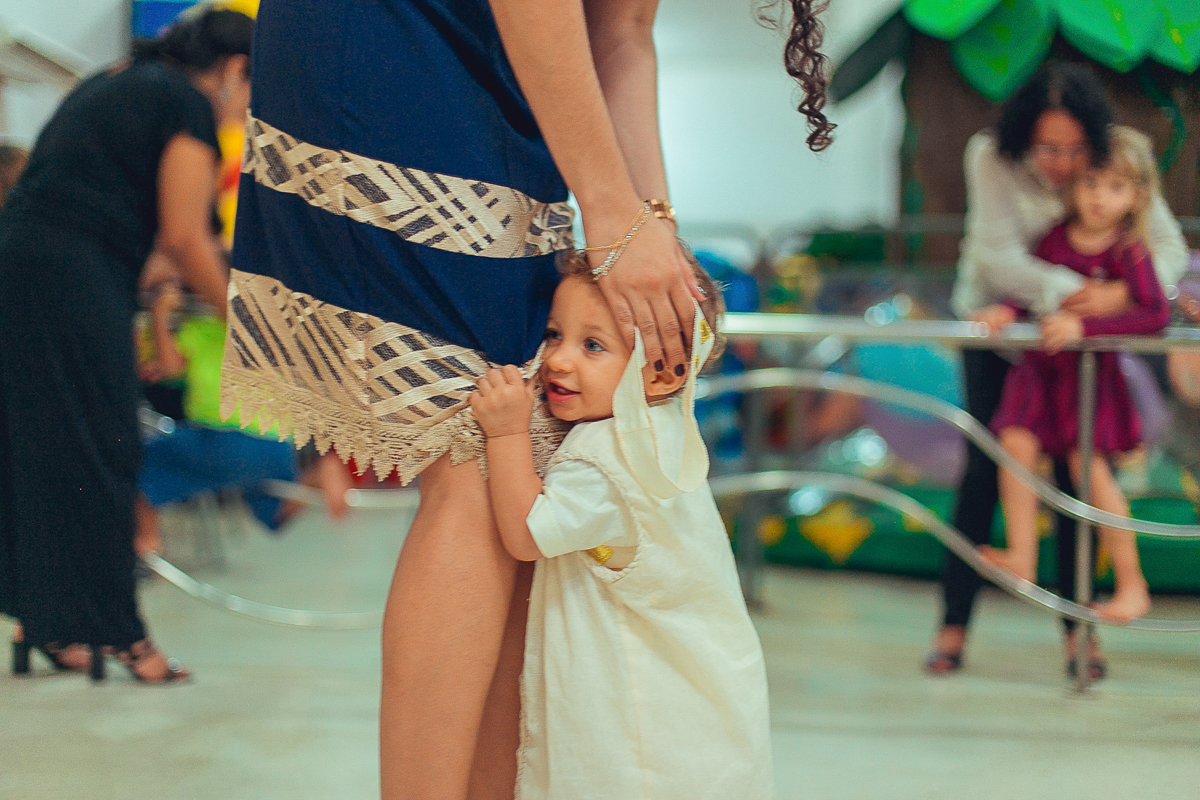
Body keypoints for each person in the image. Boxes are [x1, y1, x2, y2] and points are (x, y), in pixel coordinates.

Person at [222, 1, 832, 795]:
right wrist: (614, 218)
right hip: (402, 45)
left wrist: (655, 232)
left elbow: (623, 31)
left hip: (497, 67)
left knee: (527, 444)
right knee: (474, 450)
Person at [0, 8, 251, 683]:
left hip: (25, 264)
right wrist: (247, 330)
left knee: (43, 444)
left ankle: (45, 622)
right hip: (69, 274)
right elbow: (184, 237)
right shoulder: (186, 104)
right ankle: (123, 637)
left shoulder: (121, 78)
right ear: (233, 71)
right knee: (106, 446)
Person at [469, 254, 772, 800]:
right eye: (554, 334)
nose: (558, 361)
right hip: (691, 698)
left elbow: (528, 534)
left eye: (593, 346)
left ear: (660, 369)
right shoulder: (656, 432)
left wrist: (507, 434)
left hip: (641, 720)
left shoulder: (607, 459)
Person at [929, 62, 1188, 676]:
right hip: (1004, 326)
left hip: (1075, 345)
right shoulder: (990, 156)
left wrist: (1122, 299)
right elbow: (1000, 257)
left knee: (1077, 473)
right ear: (1025, 137)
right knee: (984, 470)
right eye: (1048, 147)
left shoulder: (1113, 166)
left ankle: (1080, 637)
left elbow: (1166, 253)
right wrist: (1085, 293)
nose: (1063, 163)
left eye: (1074, 149)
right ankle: (952, 627)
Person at [979, 126, 1166, 625]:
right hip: (1041, 371)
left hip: (1086, 377)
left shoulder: (1130, 251)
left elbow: (1154, 314)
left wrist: (1087, 326)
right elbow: (1031, 292)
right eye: (1091, 184)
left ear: (1137, 196)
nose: (1100, 198)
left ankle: (1132, 584)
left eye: (1115, 187)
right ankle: (1022, 554)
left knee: (1092, 473)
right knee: (1014, 443)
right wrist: (1003, 310)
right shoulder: (1054, 239)